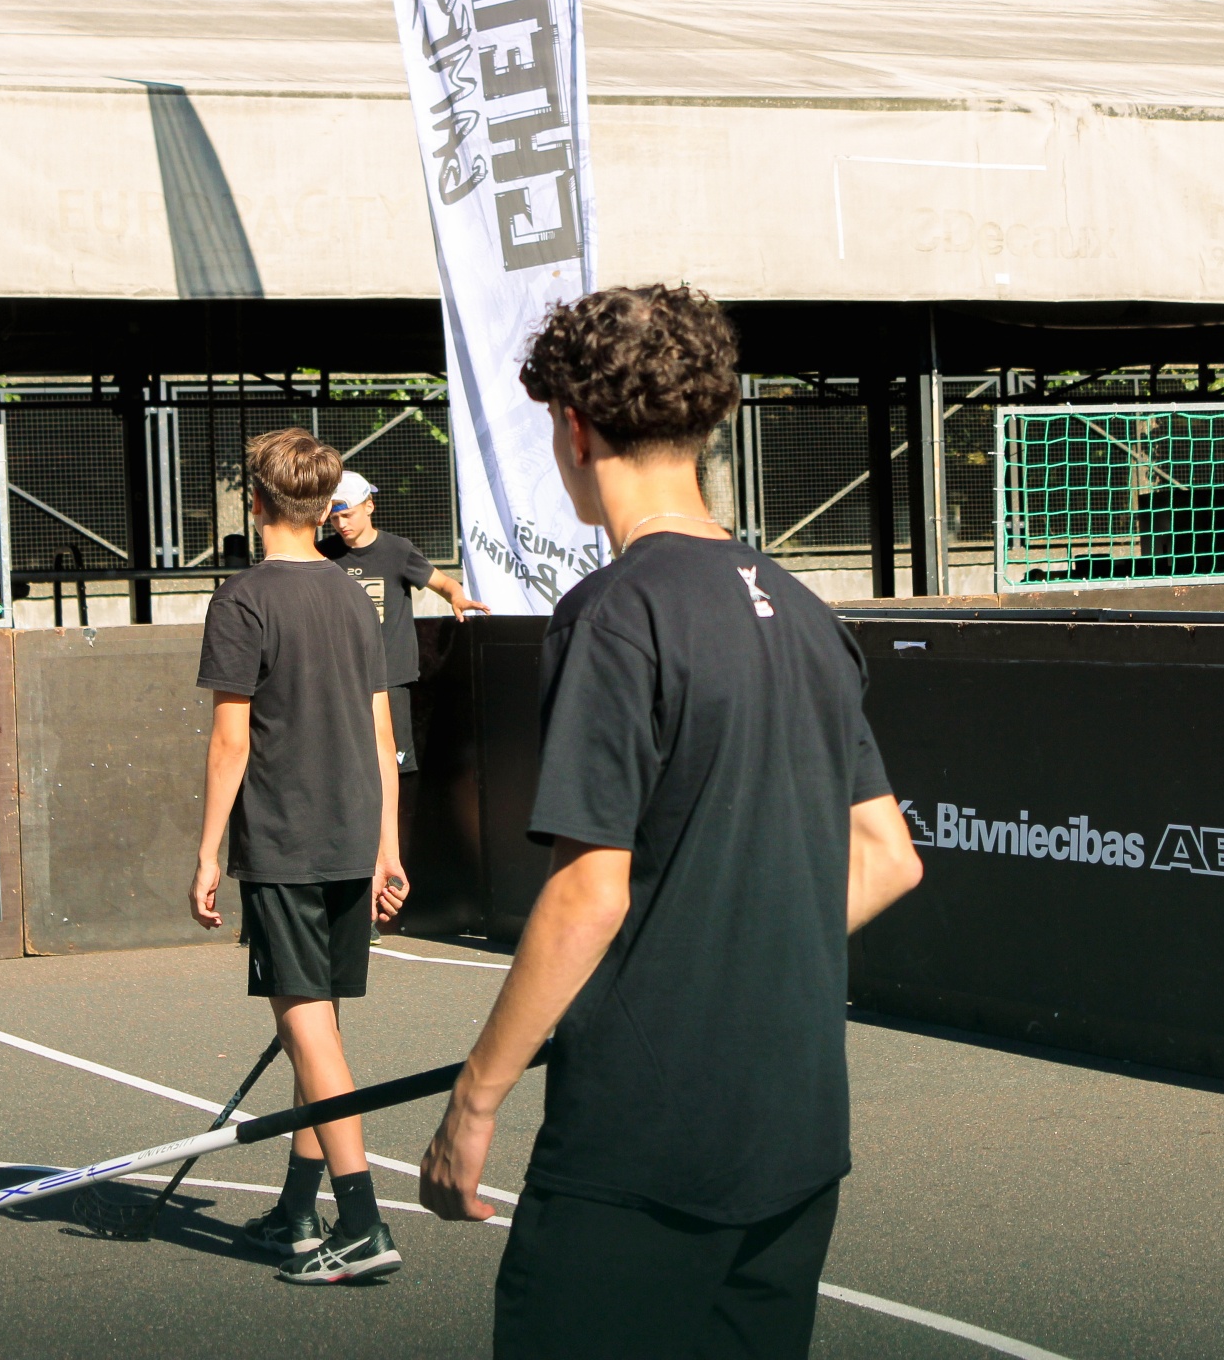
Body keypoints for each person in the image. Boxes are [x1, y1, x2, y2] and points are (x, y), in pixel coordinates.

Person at [416, 284, 924, 1358]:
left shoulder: (613, 615)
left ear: (575, 427)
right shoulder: (805, 610)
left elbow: (588, 893)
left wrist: (476, 1097)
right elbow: (887, 859)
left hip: (643, 1149)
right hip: (796, 1134)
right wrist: (725, 959)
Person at [191, 427, 410, 1284]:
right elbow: (382, 731)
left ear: (255, 502)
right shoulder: (355, 594)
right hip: (354, 834)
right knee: (320, 1027)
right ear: (323, 506)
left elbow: (230, 741)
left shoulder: (241, 599)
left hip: (288, 841)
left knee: (309, 1029)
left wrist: (207, 853)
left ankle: (361, 1224)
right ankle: (296, 1210)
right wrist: (390, 846)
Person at [320, 469, 490, 781]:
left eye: (348, 515)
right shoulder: (324, 555)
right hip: (342, 677)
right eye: (334, 518)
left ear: (369, 506)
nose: (342, 524)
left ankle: (393, 817)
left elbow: (444, 583)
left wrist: (457, 597)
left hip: (391, 677)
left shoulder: (398, 550)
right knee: (346, 767)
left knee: (395, 767)